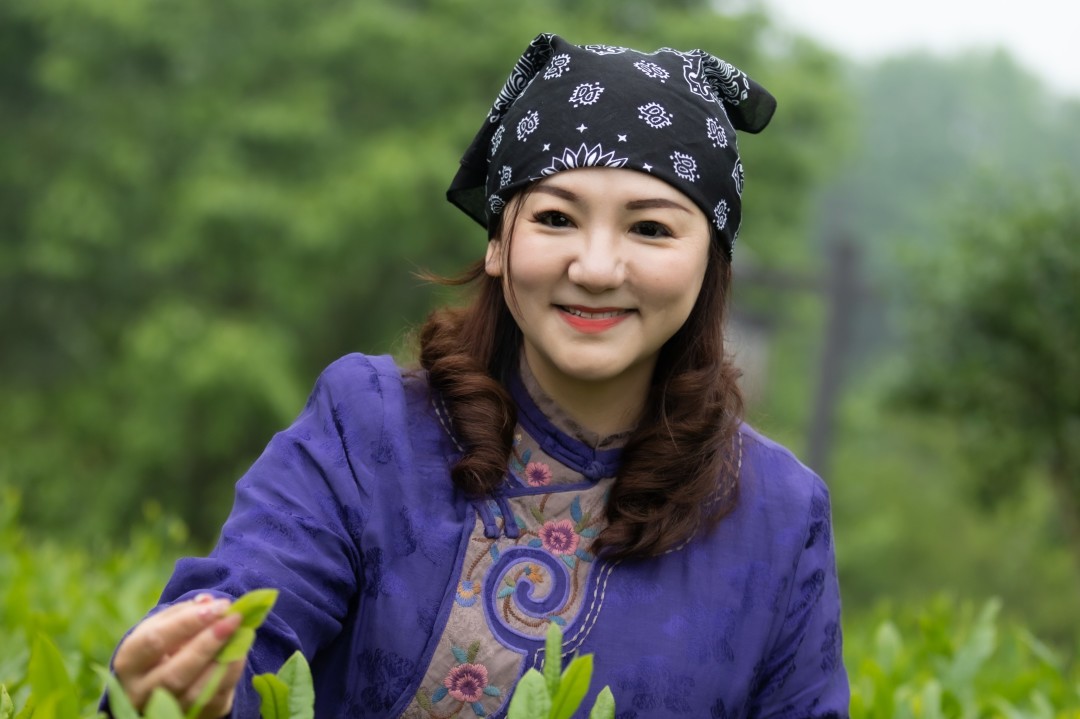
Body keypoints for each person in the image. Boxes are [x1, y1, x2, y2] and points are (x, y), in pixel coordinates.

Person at [109, 33, 849, 718]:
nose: (596, 268)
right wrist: (182, 686)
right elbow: (248, 619)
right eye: (556, 218)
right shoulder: (367, 427)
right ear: (498, 241)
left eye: (650, 228)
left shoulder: (779, 516)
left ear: (709, 263)